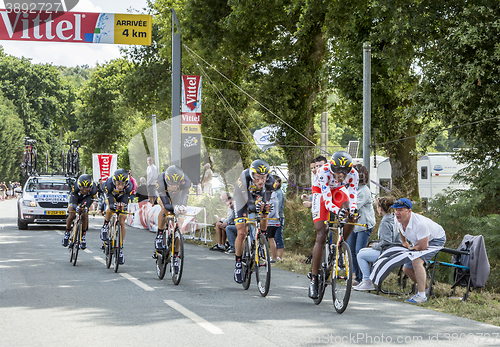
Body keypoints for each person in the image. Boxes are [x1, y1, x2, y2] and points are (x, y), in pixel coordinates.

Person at [308, 151, 359, 299]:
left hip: (338, 190)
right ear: (331, 167)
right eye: (338, 171)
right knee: (321, 234)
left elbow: (352, 195)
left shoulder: (354, 173)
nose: (341, 175)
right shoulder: (323, 171)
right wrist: (338, 211)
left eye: (345, 171)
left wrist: (352, 210)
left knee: (352, 216)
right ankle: (314, 278)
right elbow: (327, 201)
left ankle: (340, 244)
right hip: (321, 193)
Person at [393, 198, 446, 303]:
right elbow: (400, 229)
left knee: (416, 261)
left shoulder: (420, 224)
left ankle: (421, 296)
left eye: (400, 210)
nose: (397, 213)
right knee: (407, 269)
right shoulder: (397, 220)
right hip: (419, 240)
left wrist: (413, 248)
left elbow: (423, 247)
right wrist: (404, 242)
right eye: (395, 210)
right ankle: (427, 289)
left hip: (435, 239)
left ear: (409, 211)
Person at [232, 159, 276, 283]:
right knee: (242, 231)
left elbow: (266, 198)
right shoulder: (244, 177)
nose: (261, 181)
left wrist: (265, 207)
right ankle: (238, 263)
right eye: (257, 178)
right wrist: (253, 206)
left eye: (263, 177)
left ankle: (262, 239)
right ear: (252, 175)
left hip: (258, 196)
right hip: (242, 197)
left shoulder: (270, 181)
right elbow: (249, 203)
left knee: (265, 209)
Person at [354, 196, 401, 291]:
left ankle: (367, 281)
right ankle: (365, 280)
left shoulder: (385, 222)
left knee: (360, 255)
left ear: (380, 208)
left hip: (388, 252)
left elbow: (387, 242)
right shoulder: (394, 219)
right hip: (396, 250)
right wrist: (377, 244)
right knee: (363, 250)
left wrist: (376, 246)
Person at [154, 165, 191, 273]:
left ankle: (175, 254)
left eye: (176, 184)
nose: (174, 186)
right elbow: (166, 204)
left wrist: (181, 209)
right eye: (171, 184)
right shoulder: (160, 180)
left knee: (181, 221)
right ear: (166, 180)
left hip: (178, 196)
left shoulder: (186, 182)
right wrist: (172, 207)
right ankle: (160, 235)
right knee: (165, 209)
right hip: (164, 196)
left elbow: (184, 200)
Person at [346, 164, 376, 285]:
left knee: (359, 251)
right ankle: (357, 277)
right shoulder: (351, 189)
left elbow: (353, 207)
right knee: (351, 250)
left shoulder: (364, 191)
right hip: (353, 224)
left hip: (364, 225)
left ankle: (363, 277)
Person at [100, 169, 133, 265]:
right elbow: (109, 199)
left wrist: (123, 206)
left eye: (122, 184)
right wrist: (112, 205)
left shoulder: (129, 186)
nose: (120, 186)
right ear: (114, 181)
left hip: (122, 197)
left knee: (122, 221)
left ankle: (120, 248)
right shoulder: (108, 183)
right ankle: (106, 225)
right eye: (118, 184)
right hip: (111, 196)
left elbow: (126, 200)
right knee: (110, 208)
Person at [62, 174, 98, 249]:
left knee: (84, 215)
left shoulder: (94, 189)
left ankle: (83, 236)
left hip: (86, 199)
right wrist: (75, 207)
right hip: (76, 197)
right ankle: (67, 233)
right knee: (71, 214)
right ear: (79, 186)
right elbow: (74, 201)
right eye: (82, 188)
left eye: (87, 188)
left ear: (90, 187)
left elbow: (89, 202)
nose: (84, 190)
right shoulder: (75, 187)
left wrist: (86, 207)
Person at [273, 175, 285, 261]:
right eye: (274, 181)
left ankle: (280, 257)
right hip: (273, 217)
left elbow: (278, 206)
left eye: (277, 182)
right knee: (273, 237)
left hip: (278, 217)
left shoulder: (279, 193)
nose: (276, 183)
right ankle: (274, 255)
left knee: (278, 236)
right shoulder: (272, 192)